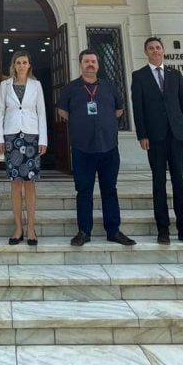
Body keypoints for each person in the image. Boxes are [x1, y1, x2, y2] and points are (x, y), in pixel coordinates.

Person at [57, 49, 135, 247]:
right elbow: (63, 112)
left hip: (109, 147)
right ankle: (84, 231)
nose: (90, 64)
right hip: (82, 148)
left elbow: (119, 110)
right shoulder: (70, 88)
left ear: (98, 65)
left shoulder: (109, 87)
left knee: (110, 190)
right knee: (84, 191)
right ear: (80, 64)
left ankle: (113, 231)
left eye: (93, 61)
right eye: (86, 61)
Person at [131, 36, 183, 245]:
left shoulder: (175, 74)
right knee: (158, 183)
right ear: (146, 52)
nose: (155, 51)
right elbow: (138, 108)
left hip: (177, 135)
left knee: (180, 182)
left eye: (158, 47)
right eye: (151, 48)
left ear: (163, 51)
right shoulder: (139, 76)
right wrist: (142, 135)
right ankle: (163, 229)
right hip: (155, 137)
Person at [0, 50, 48, 246]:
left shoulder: (36, 85)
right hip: (11, 136)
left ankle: (31, 228)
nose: (21, 65)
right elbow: (0, 111)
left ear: (29, 65)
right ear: (14, 65)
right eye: (18, 62)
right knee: (16, 183)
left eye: (25, 62)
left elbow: (41, 112)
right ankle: (18, 228)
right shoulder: (5, 85)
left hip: (31, 137)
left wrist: (43, 139)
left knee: (30, 184)